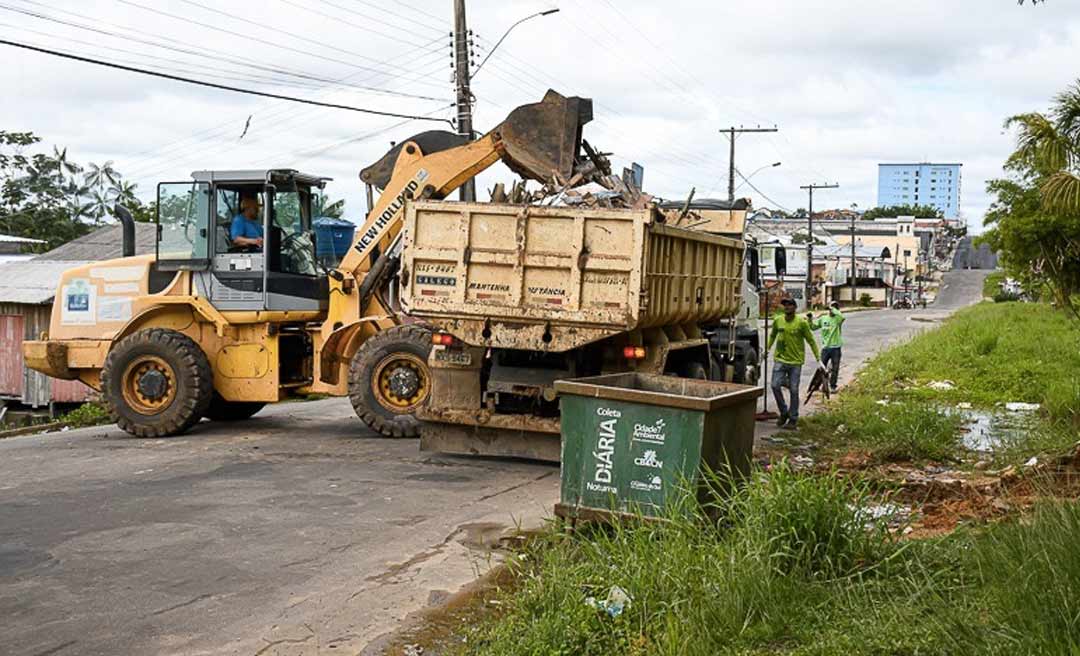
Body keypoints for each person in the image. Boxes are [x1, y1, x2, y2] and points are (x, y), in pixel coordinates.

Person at [767, 297, 822, 429]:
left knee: (794, 390)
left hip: (796, 361)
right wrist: (768, 348)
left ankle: (793, 418)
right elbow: (773, 335)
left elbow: (811, 341)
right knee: (775, 385)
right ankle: (784, 412)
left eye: (790, 305)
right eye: (785, 305)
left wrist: (818, 359)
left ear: (795, 307)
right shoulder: (778, 320)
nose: (786, 307)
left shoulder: (801, 323)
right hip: (780, 359)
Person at [808, 301, 846, 394]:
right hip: (825, 347)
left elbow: (842, 317)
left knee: (835, 368)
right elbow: (813, 327)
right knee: (821, 367)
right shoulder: (823, 318)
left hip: (836, 347)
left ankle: (832, 386)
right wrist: (809, 319)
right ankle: (816, 385)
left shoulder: (838, 319)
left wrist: (833, 309)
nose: (832, 310)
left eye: (835, 308)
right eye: (831, 308)